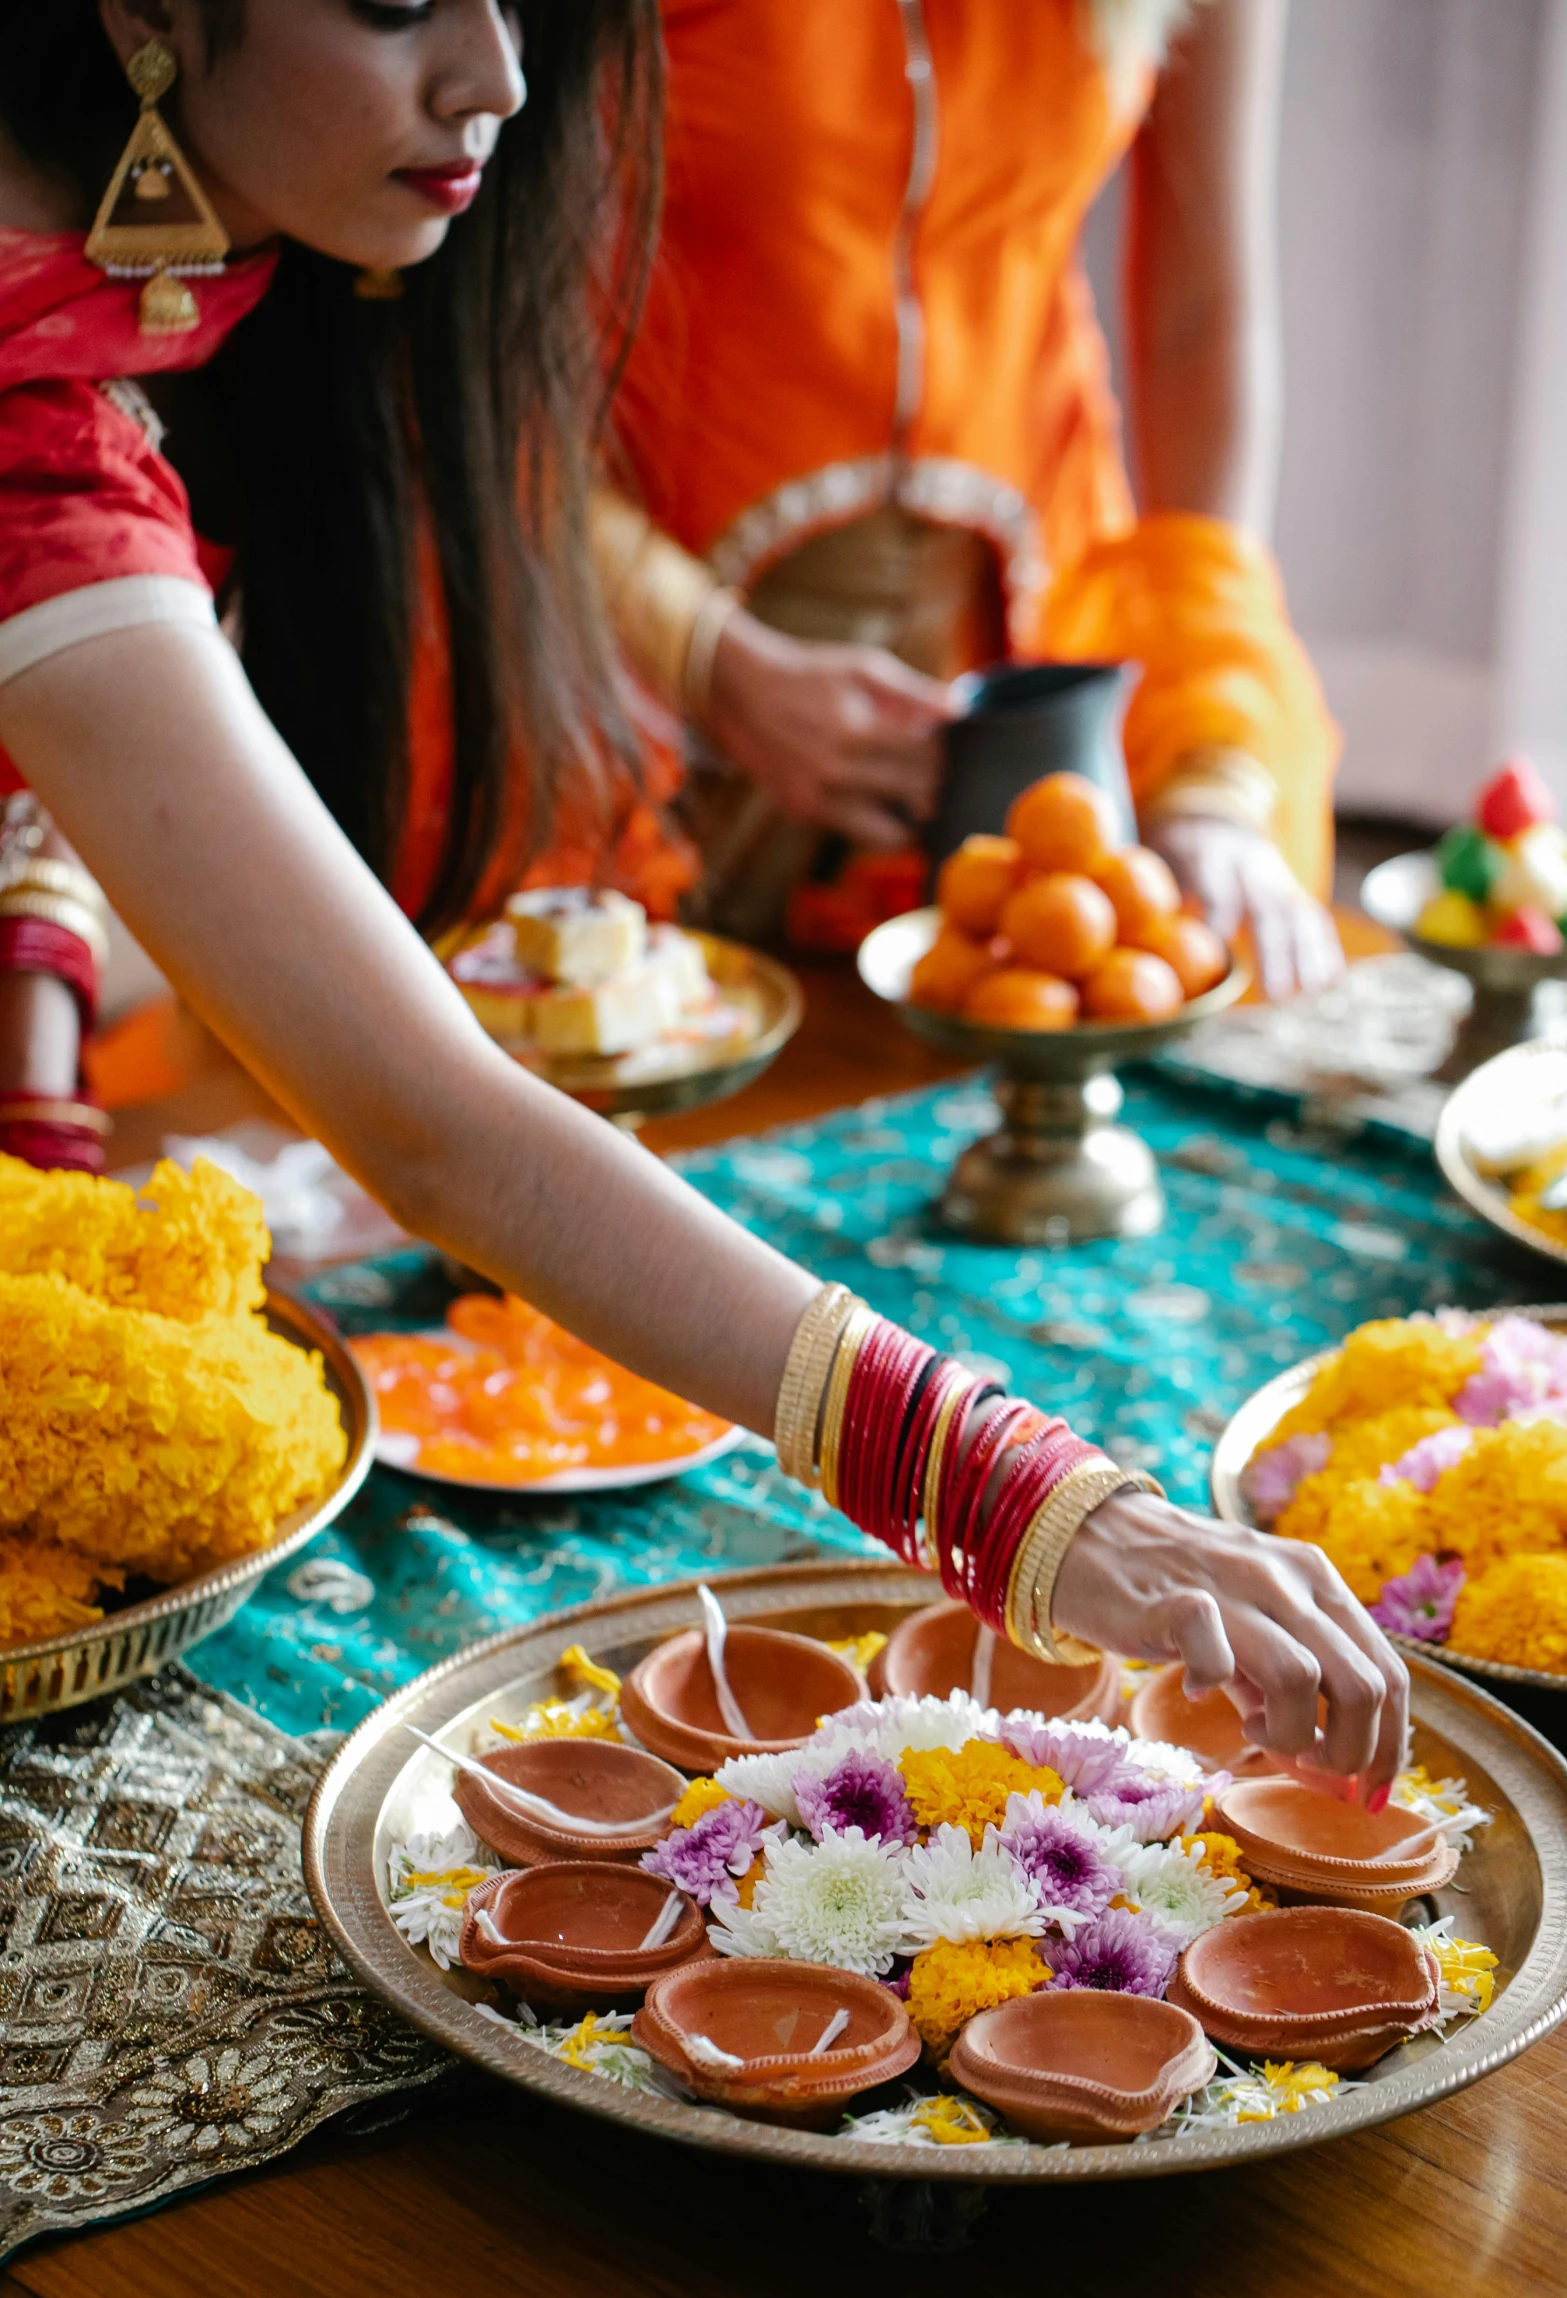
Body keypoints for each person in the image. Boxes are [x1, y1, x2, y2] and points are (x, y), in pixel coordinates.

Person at [0, 0, 1405, 1798]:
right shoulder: (46, 426)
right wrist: (1042, 1513)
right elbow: (444, 1136)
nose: (497, 79)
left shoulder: (161, 272)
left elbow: (69, 738)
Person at [592, 0, 1345, 998]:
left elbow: (1198, 324)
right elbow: (475, 367)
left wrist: (1207, 746)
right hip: (625, 656)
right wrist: (706, 657)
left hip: (1034, 655)